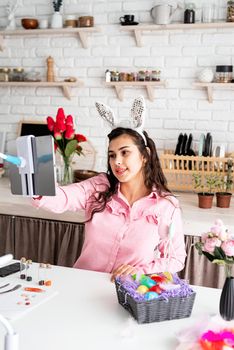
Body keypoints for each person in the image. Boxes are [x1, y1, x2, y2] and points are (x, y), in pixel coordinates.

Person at [32, 97, 186, 281]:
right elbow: (63, 197)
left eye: (125, 152)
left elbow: (176, 259)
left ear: (145, 156)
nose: (117, 162)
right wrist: (36, 180)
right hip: (83, 284)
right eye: (112, 155)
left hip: (128, 291)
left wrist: (141, 270)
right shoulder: (98, 187)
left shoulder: (165, 205)